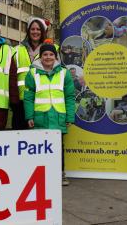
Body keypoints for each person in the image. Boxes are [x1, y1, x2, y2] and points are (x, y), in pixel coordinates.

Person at [24, 44, 75, 186]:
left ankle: (60, 174)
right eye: (45, 54)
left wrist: (70, 117)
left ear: (56, 57)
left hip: (59, 117)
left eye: (51, 55)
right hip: (40, 117)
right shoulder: (33, 73)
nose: (48, 57)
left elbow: (70, 97)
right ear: (41, 57)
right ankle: (42, 176)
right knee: (41, 148)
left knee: (58, 147)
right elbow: (28, 97)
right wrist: (29, 117)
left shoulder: (64, 73)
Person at [13, 17, 48, 129]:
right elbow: (11, 76)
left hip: (43, 100)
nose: (35, 32)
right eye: (32, 29)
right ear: (28, 31)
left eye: (38, 29)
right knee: (20, 137)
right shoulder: (16, 50)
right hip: (21, 102)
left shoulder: (51, 50)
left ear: (43, 31)